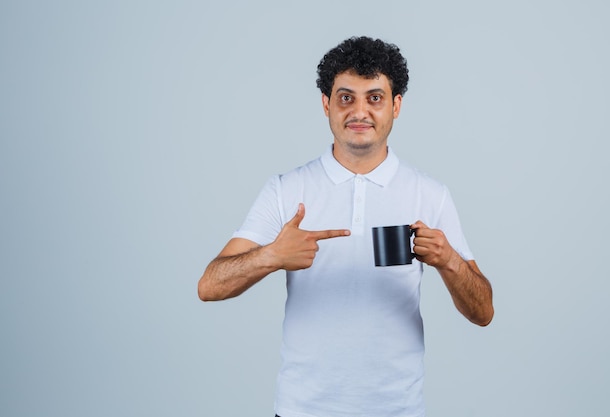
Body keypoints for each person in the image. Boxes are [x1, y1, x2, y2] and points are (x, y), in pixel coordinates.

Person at [198, 36, 493, 417]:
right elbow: (209, 285)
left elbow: (483, 312)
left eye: (374, 97)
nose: (359, 111)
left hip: (398, 410)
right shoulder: (288, 190)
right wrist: (270, 256)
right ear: (326, 105)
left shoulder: (429, 194)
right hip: (302, 409)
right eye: (345, 97)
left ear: (395, 106)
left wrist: (449, 261)